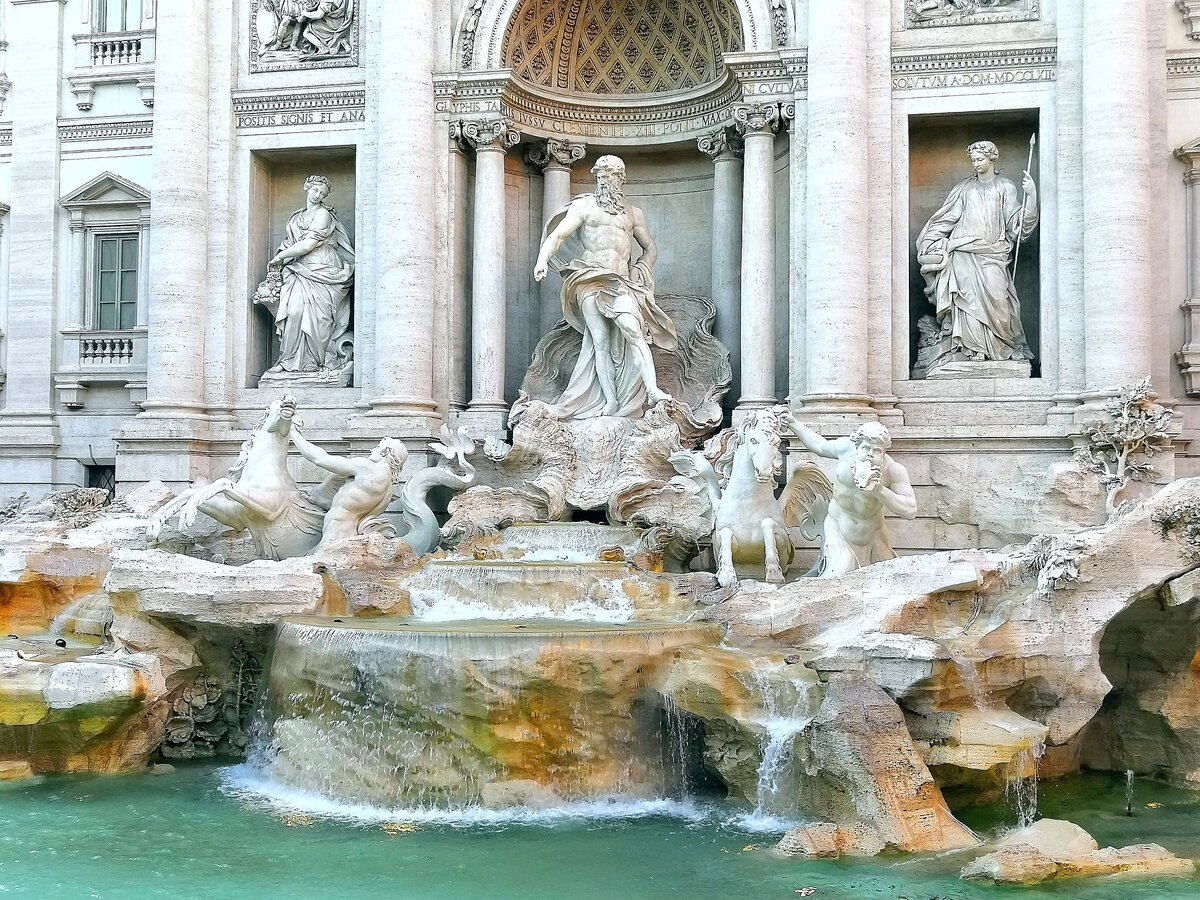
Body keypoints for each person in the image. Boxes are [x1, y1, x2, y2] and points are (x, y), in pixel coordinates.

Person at [533, 155, 678, 419]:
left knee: (633, 330)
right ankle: (610, 401)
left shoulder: (633, 213)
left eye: (609, 176)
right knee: (598, 341)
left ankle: (653, 390)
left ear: (620, 179)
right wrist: (543, 259)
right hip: (589, 277)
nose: (604, 181)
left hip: (620, 281)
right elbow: (559, 235)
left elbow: (650, 247)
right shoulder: (585, 206)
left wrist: (642, 265)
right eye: (600, 176)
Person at [916, 140, 1038, 368]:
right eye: (973, 160)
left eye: (980, 159)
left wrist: (1030, 197)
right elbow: (946, 219)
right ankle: (972, 350)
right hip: (963, 252)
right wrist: (931, 241)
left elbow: (1018, 226)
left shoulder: (1005, 187)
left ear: (992, 159)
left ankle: (999, 347)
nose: (976, 164)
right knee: (966, 302)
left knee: (999, 299)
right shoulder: (964, 189)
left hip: (993, 253)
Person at [774, 410, 917, 577]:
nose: (870, 454)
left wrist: (880, 490)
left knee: (884, 581)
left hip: (873, 535)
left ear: (884, 452)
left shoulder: (893, 470)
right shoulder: (845, 449)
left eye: (877, 450)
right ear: (857, 445)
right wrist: (793, 423)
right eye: (866, 448)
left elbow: (910, 510)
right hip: (838, 529)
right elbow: (819, 446)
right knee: (840, 577)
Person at [264, 175, 355, 379]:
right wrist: (284, 257)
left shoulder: (323, 214)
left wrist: (279, 257)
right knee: (294, 312)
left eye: (322, 193)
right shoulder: (296, 217)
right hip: (300, 269)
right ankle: (289, 361)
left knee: (319, 319)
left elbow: (307, 245)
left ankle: (314, 362)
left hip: (323, 268)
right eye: (315, 190)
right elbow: (291, 243)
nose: (318, 195)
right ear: (307, 188)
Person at [288, 426, 406, 550]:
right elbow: (349, 508)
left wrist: (294, 433)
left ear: (384, 452)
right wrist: (319, 501)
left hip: (334, 537)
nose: (372, 449)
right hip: (350, 538)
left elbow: (320, 459)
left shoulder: (368, 467)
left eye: (377, 447)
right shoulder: (388, 491)